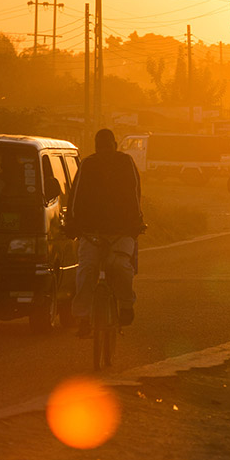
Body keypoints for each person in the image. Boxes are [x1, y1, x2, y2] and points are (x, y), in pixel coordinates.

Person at [68, 129, 144, 337]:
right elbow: (76, 196)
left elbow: (134, 195)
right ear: (96, 148)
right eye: (100, 147)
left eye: (107, 146)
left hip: (122, 231)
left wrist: (136, 223)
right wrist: (72, 224)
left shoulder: (126, 163)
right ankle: (83, 318)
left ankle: (126, 306)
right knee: (86, 270)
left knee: (120, 267)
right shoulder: (87, 165)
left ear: (115, 146)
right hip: (91, 232)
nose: (104, 150)